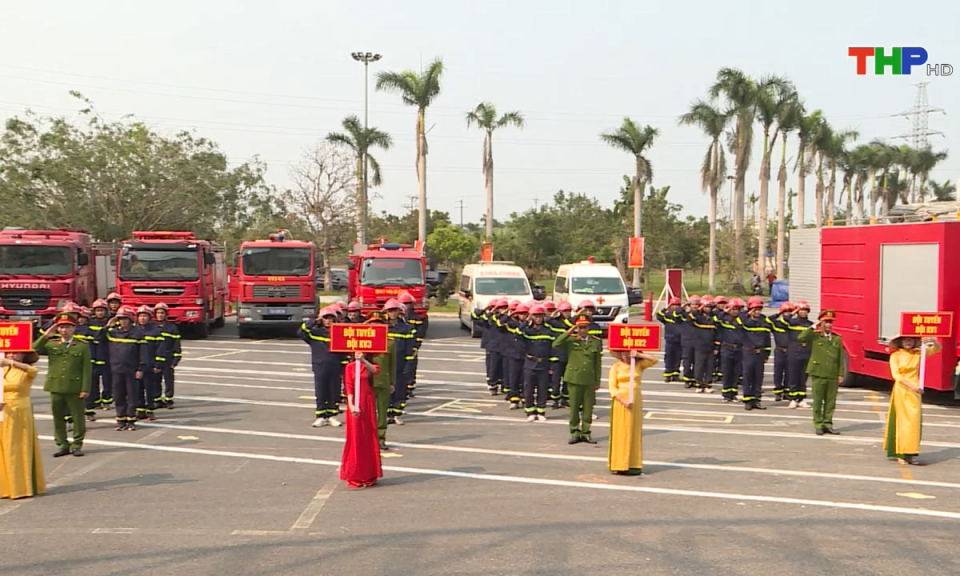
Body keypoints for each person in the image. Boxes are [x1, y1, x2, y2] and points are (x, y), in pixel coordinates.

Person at [34, 314, 92, 456]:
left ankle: (77, 444)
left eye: (67, 327)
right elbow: (33, 349)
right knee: (58, 418)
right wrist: (46, 336)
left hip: (74, 387)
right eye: (61, 327)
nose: (64, 330)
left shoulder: (82, 345)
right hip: (56, 386)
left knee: (78, 418)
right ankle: (62, 444)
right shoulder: (52, 344)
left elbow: (86, 368)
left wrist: (85, 388)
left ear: (74, 328)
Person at [884, 335, 941, 465]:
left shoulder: (918, 354)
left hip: (915, 392)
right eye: (905, 340)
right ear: (900, 342)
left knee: (914, 422)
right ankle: (900, 453)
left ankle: (911, 453)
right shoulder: (896, 356)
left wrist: (933, 341)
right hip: (902, 390)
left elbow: (937, 349)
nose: (908, 342)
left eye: (910, 340)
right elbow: (896, 376)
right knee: (902, 422)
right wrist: (912, 387)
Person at [0, 351, 46, 499]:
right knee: (3, 447)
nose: (12, 355)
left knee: (16, 446)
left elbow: (33, 370)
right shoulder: (2, 369)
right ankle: (4, 486)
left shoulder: (25, 370)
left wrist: (11, 363)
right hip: (2, 410)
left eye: (16, 353)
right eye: (9, 353)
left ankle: (21, 486)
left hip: (19, 409)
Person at [607, 349, 658, 476]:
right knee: (621, 431)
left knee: (634, 430)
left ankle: (633, 463)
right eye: (623, 353)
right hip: (621, 400)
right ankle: (619, 463)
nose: (625, 356)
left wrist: (639, 355)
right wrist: (623, 401)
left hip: (635, 399)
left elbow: (654, 360)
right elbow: (612, 387)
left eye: (628, 353)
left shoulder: (638, 365)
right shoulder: (616, 366)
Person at [552, 314, 602, 444]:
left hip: (589, 379)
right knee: (574, 408)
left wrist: (597, 381)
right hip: (574, 378)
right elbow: (556, 344)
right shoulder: (571, 340)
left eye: (584, 327)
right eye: (579, 327)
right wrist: (569, 331)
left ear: (588, 328)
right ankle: (574, 432)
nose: (582, 330)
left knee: (588, 408)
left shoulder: (595, 341)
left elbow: (597, 363)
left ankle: (586, 432)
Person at [98, 306, 147, 431]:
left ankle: (131, 420)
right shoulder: (113, 332)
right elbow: (98, 338)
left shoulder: (137, 334)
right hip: (115, 370)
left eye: (125, 319)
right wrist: (108, 325)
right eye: (120, 319)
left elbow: (143, 353)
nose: (122, 321)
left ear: (130, 320)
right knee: (118, 395)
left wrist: (140, 369)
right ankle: (120, 420)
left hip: (131, 370)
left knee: (132, 396)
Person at [341, 352, 383, 488]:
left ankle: (370, 473)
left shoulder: (370, 365)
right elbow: (349, 387)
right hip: (356, 403)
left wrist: (363, 361)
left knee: (369, 437)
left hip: (368, 402)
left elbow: (375, 370)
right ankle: (356, 474)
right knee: (356, 437)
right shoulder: (350, 367)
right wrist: (352, 405)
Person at [798, 310, 844, 435]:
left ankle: (827, 423)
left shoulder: (837, 338)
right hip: (818, 373)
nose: (829, 325)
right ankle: (818, 423)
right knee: (818, 401)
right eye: (826, 322)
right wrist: (814, 326)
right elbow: (801, 337)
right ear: (821, 323)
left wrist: (841, 374)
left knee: (830, 402)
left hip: (832, 374)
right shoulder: (815, 336)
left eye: (830, 322)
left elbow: (840, 358)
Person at [298, 307, 344, 428]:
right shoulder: (314, 333)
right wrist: (314, 321)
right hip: (320, 366)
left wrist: (343, 367)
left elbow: (344, 352)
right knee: (321, 391)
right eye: (325, 318)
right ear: (321, 319)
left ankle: (332, 415)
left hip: (335, 367)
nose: (328, 320)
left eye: (331, 318)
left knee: (334, 392)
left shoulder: (339, 333)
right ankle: (321, 416)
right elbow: (301, 332)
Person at [365, 312, 395, 451]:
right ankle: (366, 438)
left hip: (382, 381)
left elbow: (392, 364)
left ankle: (380, 438)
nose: (375, 325)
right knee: (365, 413)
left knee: (382, 412)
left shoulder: (390, 342)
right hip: (365, 381)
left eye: (378, 323)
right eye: (372, 323)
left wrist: (392, 382)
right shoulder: (361, 340)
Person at [521, 304, 555, 422]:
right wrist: (526, 321)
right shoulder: (527, 331)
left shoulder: (548, 331)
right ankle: (530, 411)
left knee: (542, 389)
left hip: (544, 364)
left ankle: (541, 410)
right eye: (535, 316)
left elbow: (553, 348)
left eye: (540, 316)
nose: (538, 318)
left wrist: (551, 365)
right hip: (530, 363)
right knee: (529, 389)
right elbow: (517, 334)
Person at [383, 299, 415, 425]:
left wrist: (408, 366)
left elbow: (410, 349)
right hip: (385, 365)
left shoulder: (407, 328)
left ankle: (396, 414)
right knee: (385, 390)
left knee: (400, 390)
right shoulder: (381, 327)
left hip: (400, 364)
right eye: (390, 311)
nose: (392, 313)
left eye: (394, 310)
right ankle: (385, 414)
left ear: (399, 311)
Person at [737, 297, 771, 410]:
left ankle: (756, 399)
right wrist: (748, 315)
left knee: (758, 377)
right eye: (755, 310)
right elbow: (738, 323)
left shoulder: (763, 321)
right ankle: (747, 399)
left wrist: (767, 353)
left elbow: (767, 338)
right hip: (748, 352)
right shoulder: (744, 320)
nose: (757, 312)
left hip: (759, 353)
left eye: (759, 310)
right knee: (747, 376)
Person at [134, 306, 166, 421]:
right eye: (140, 316)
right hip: (138, 366)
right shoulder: (134, 331)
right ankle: (140, 410)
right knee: (138, 389)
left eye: (145, 316)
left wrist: (158, 364)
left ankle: (151, 410)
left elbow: (161, 349)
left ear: (149, 317)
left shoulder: (156, 331)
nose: (142, 318)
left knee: (150, 389)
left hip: (151, 365)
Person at [715, 298, 744, 403]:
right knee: (727, 372)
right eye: (733, 309)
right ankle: (726, 395)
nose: (735, 311)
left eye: (737, 309)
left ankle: (733, 393)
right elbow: (716, 319)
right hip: (727, 348)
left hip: (738, 349)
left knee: (736, 373)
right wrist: (725, 311)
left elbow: (743, 322)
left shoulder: (741, 319)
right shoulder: (724, 319)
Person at [785, 301, 813, 408]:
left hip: (806, 352)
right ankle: (792, 399)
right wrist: (792, 313)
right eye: (801, 310)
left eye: (805, 310)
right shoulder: (792, 322)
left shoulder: (810, 325)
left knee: (803, 377)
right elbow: (783, 321)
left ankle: (801, 398)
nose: (804, 313)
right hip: (794, 352)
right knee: (793, 376)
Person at [154, 303, 182, 409]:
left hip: (168, 359)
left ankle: (169, 400)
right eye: (158, 313)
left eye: (162, 313)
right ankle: (157, 400)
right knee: (156, 380)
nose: (160, 315)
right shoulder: (152, 327)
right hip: (155, 359)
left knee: (169, 380)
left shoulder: (172, 328)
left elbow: (176, 345)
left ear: (166, 314)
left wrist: (175, 360)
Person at [688, 295, 717, 393]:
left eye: (709, 307)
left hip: (711, 346)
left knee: (710, 366)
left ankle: (708, 384)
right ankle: (699, 384)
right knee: (699, 366)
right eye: (706, 307)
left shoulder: (714, 318)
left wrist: (716, 346)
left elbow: (718, 334)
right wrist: (698, 309)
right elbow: (690, 318)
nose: (707, 309)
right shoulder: (698, 317)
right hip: (700, 346)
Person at [87, 299, 113, 410]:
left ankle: (106, 401)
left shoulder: (111, 322)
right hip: (94, 356)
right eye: (98, 310)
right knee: (93, 381)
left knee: (108, 381)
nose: (100, 313)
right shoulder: (90, 322)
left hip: (106, 356)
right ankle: (95, 401)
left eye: (102, 310)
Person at [547, 301, 574, 408]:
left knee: (567, 379)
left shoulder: (571, 322)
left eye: (569, 311)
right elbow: (545, 323)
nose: (567, 313)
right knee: (555, 379)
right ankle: (555, 399)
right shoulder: (553, 322)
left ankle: (565, 399)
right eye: (565, 311)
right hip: (556, 356)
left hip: (568, 355)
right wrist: (553, 315)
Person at [769, 302, 793, 402]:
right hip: (779, 351)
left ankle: (787, 392)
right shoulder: (776, 324)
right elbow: (767, 320)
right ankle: (778, 392)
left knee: (789, 372)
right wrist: (777, 314)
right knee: (778, 372)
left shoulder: (793, 324)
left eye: (789, 312)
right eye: (785, 312)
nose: (787, 314)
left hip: (790, 351)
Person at [656, 297, 684, 383]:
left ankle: (675, 374)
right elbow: (659, 315)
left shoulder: (682, 316)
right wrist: (666, 308)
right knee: (669, 357)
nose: (675, 307)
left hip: (679, 340)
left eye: (677, 305)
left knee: (678, 358)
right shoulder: (667, 316)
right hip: (670, 340)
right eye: (673, 305)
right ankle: (668, 374)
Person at [679, 295, 700, 388]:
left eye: (696, 304)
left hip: (698, 341)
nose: (695, 306)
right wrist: (683, 306)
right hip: (687, 341)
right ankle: (687, 379)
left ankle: (695, 379)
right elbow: (676, 315)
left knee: (697, 362)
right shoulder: (684, 314)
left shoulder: (700, 314)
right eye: (693, 304)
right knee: (687, 362)